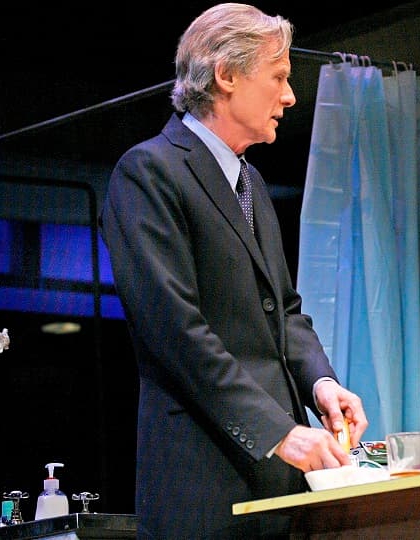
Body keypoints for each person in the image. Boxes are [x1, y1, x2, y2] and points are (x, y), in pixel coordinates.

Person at [100, 4, 368, 538]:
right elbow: (176, 333)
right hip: (202, 489)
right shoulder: (148, 172)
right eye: (279, 77)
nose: (290, 97)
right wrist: (280, 433)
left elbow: (283, 310)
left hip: (278, 490)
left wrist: (320, 382)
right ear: (225, 75)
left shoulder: (253, 185)